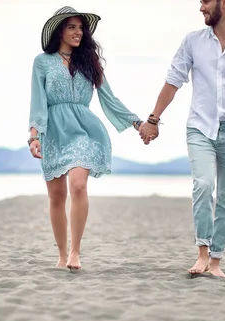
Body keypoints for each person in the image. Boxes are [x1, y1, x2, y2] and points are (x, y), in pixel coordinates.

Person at [139, 0, 225, 278]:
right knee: (203, 185)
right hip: (200, 128)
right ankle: (202, 255)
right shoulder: (192, 41)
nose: (201, 7)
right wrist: (153, 119)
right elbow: (174, 79)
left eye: (205, 1)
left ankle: (216, 261)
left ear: (224, 2)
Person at [28, 6, 142, 271]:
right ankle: (61, 253)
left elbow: (109, 99)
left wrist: (137, 122)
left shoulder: (90, 63)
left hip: (85, 131)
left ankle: (76, 252)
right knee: (56, 196)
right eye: (72, 27)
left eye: (81, 28)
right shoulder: (42, 62)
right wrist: (34, 136)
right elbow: (38, 102)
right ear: (60, 31)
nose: (78, 32)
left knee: (78, 186)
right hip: (53, 131)